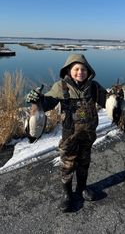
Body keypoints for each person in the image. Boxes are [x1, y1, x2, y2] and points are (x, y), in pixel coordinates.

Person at [26, 54, 107, 212]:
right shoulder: (60, 86)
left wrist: (117, 96)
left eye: (83, 69)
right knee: (67, 166)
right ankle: (67, 194)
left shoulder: (94, 87)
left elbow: (107, 101)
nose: (80, 72)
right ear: (69, 70)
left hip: (88, 135)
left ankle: (82, 188)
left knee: (84, 163)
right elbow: (47, 102)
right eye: (76, 69)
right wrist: (38, 100)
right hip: (69, 137)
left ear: (88, 70)